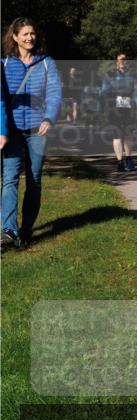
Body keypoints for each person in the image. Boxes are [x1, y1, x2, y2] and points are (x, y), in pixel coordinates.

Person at [1, 17, 62, 249]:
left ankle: (25, 231)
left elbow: (55, 92)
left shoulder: (46, 63)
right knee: (10, 179)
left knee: (34, 180)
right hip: (13, 131)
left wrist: (49, 117)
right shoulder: (4, 65)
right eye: (25, 34)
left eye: (32, 34)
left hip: (38, 129)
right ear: (14, 37)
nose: (30, 38)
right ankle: (8, 230)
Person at [101, 53, 137, 172]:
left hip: (129, 108)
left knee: (128, 133)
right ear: (116, 62)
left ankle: (128, 159)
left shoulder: (133, 75)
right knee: (117, 134)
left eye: (124, 59)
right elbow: (103, 92)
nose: (122, 61)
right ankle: (119, 162)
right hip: (114, 108)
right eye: (120, 59)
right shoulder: (109, 75)